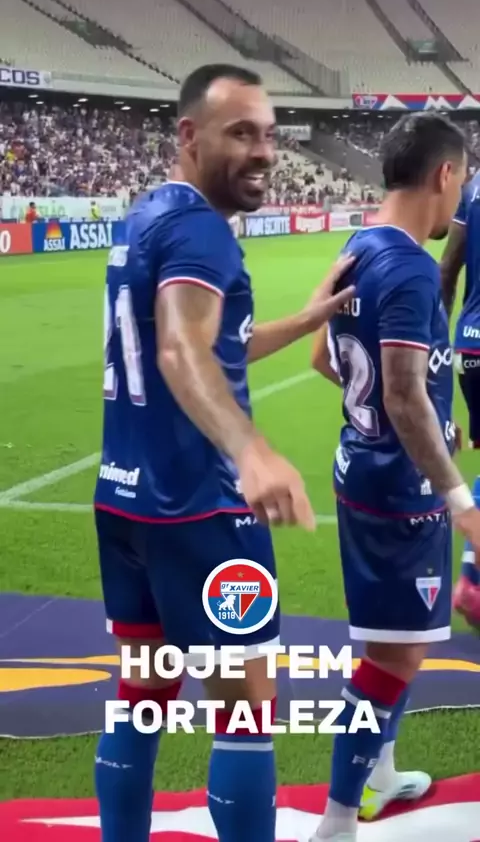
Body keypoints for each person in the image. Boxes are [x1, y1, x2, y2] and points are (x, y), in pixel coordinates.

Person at [93, 63, 354, 842]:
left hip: (125, 502)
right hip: (203, 510)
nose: (264, 151)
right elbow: (182, 349)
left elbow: (216, 344)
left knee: (141, 699)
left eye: (268, 134)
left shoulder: (147, 217)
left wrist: (307, 320)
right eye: (241, 133)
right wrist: (251, 450)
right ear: (189, 135)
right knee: (245, 713)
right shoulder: (202, 230)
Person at [309, 113, 480, 842]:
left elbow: (325, 359)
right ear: (444, 174)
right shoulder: (409, 265)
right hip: (399, 493)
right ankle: (338, 821)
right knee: (393, 657)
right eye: (463, 180)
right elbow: (404, 395)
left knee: (396, 643)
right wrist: (460, 499)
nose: (462, 195)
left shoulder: (360, 246)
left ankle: (379, 771)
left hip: (363, 472)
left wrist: (417, 418)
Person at [440, 169, 480, 624]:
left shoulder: (472, 187)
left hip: (470, 345)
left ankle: (472, 579)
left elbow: (448, 267)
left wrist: (436, 344)